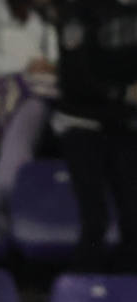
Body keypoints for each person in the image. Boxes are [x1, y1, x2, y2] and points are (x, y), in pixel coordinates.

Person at [48, 0, 137, 273]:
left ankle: (126, 300)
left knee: (133, 222)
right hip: (82, 127)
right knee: (95, 221)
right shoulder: (78, 11)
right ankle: (82, 298)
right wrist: (122, 94)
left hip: (125, 127)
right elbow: (73, 77)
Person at [0, 0, 58, 233]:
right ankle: (6, 184)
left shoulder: (50, 17)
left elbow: (58, 58)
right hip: (1, 90)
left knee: (41, 99)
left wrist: (48, 67)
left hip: (48, 89)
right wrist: (27, 65)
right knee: (32, 104)